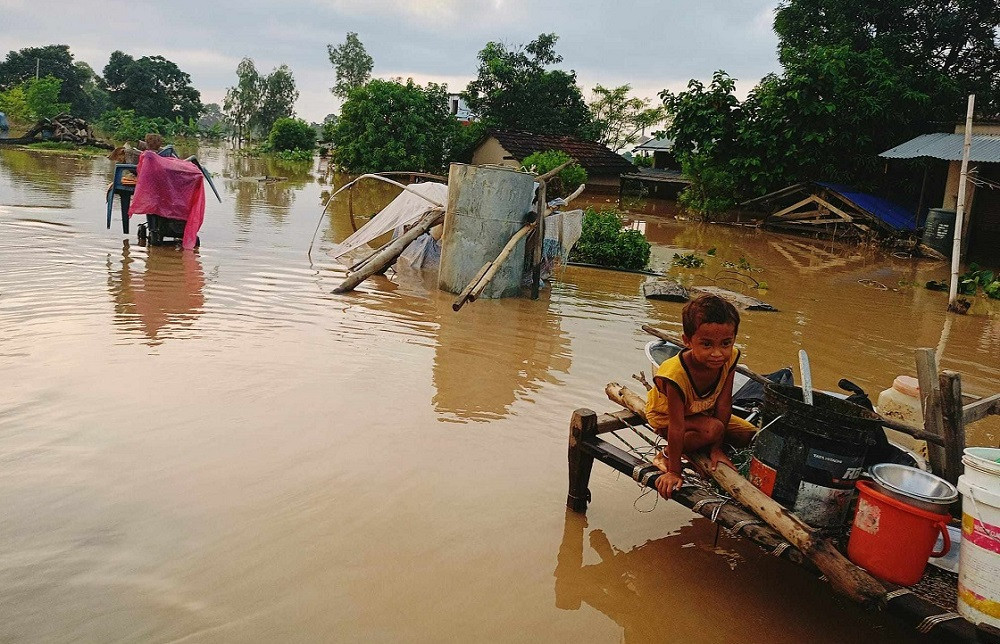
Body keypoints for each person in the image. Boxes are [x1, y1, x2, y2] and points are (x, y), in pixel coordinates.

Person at [645, 294, 757, 499]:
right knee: (713, 428)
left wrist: (717, 450)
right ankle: (666, 454)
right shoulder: (674, 375)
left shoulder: (730, 357)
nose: (718, 353)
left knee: (749, 434)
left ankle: (705, 444)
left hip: (700, 410)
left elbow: (724, 402)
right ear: (687, 341)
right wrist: (674, 472)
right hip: (667, 417)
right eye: (706, 345)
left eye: (726, 343)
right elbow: (677, 426)